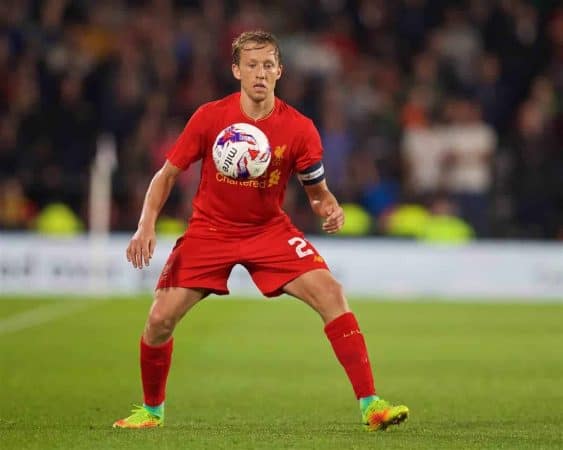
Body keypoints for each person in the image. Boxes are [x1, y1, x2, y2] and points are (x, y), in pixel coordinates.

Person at [113, 30, 409, 432]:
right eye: (251, 64)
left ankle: (371, 406)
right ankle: (151, 411)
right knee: (160, 319)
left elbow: (317, 192)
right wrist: (145, 225)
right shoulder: (210, 117)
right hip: (210, 230)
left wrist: (330, 207)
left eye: (268, 64)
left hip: (268, 230)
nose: (260, 73)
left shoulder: (300, 129)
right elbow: (166, 175)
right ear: (236, 70)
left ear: (280, 71)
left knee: (331, 293)